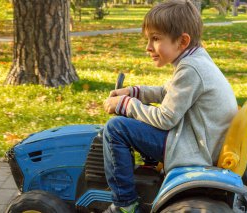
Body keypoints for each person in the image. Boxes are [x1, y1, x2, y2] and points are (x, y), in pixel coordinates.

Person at [102, 0, 238, 212]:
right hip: (196, 137)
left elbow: (166, 119)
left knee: (116, 128)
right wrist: (134, 92)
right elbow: (170, 92)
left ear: (182, 41)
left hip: (190, 147)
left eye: (155, 39)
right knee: (132, 120)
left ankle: (124, 204)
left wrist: (126, 105)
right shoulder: (197, 59)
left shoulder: (191, 69)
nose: (148, 47)